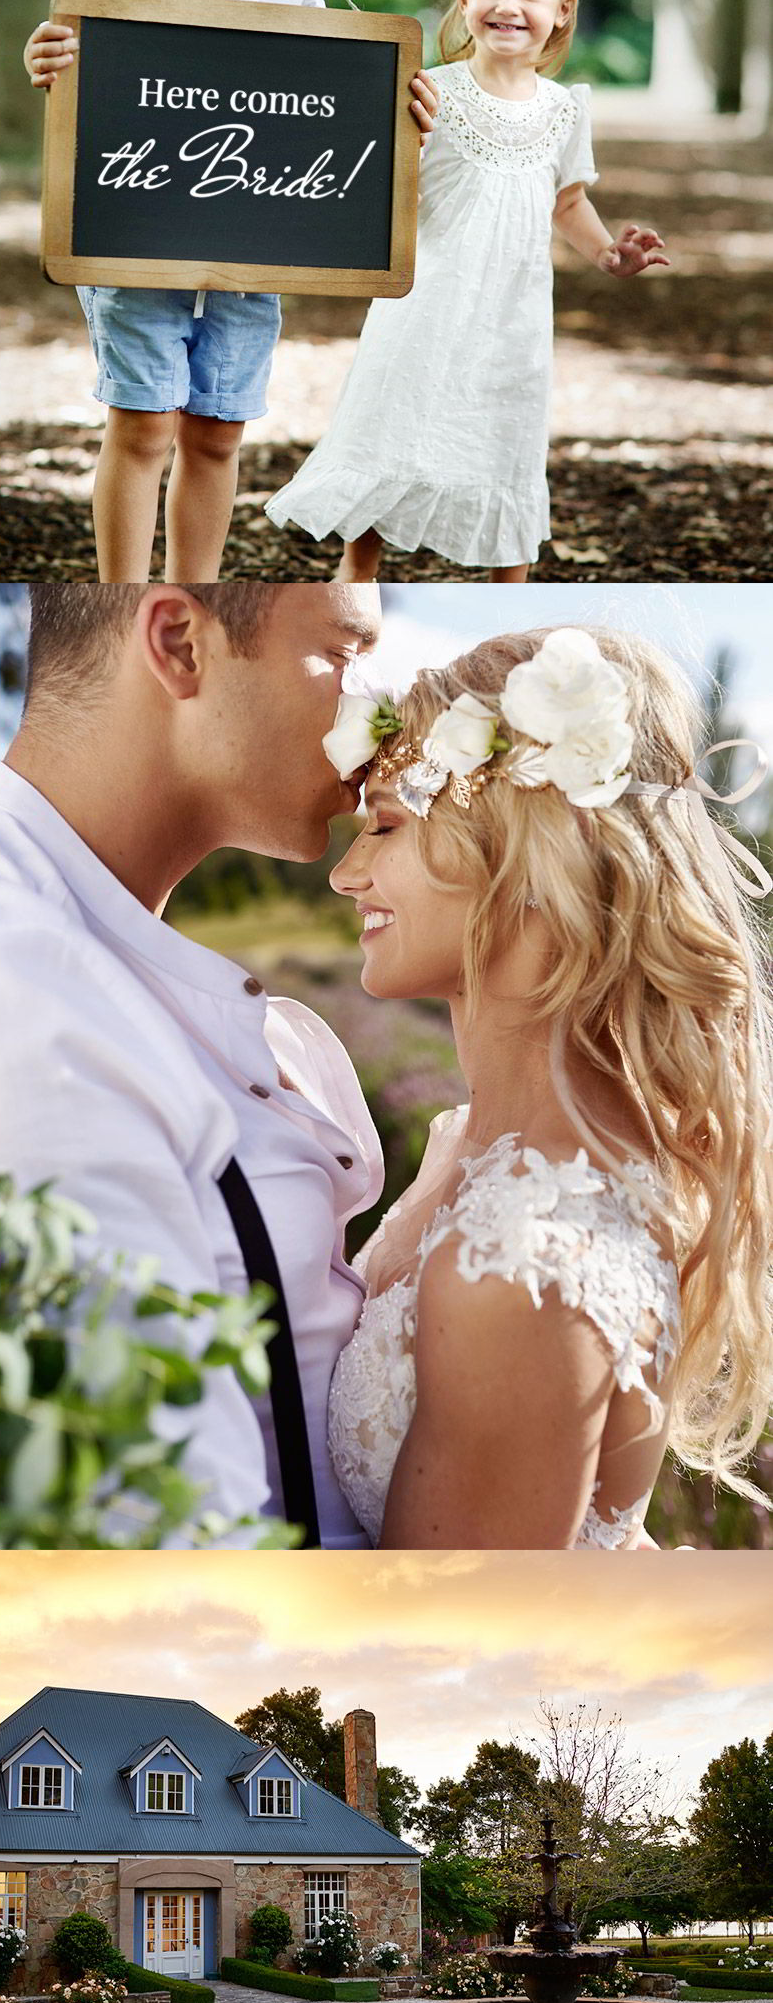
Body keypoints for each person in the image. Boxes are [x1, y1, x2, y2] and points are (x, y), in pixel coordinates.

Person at [0, 580, 383, 1545]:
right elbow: (163, 1531)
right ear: (181, 641)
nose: (374, 707)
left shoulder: (83, 959)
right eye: (344, 654)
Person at [323, 623, 773, 1549]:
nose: (346, 872)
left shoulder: (526, 1257)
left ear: (522, 842)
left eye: (386, 825)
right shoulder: (480, 1153)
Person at [267, 0, 669, 582]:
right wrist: (404, 140)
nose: (507, 5)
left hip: (512, 316)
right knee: (394, 425)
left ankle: (506, 592)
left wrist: (611, 254)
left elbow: (567, 203)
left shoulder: (565, 108)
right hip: (427, 301)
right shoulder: (432, 91)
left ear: (563, 7)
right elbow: (383, 183)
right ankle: (356, 578)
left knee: (503, 441)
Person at [25, 0, 327, 581]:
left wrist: (392, 105)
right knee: (145, 421)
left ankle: (194, 594)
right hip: (139, 222)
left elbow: (319, 79)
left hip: (252, 228)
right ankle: (122, 600)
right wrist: (49, 61)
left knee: (219, 428)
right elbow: (84, 63)